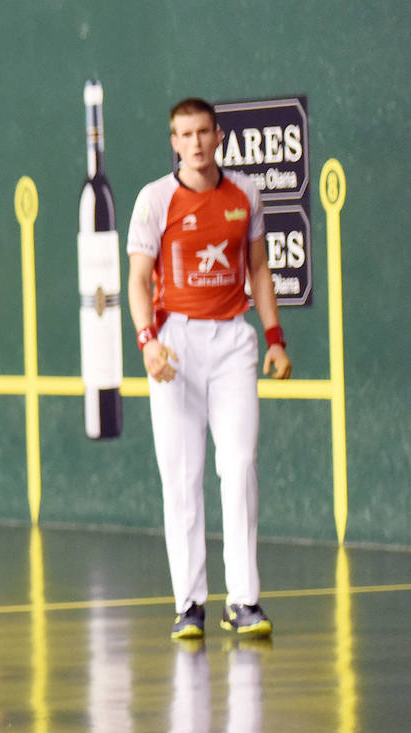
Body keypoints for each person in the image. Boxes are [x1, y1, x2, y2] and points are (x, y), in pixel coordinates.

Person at [126, 97, 292, 642]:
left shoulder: (246, 193)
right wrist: (147, 341)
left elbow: (261, 268)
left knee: (239, 465)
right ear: (173, 142)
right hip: (174, 347)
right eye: (184, 134)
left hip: (232, 346)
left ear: (218, 136)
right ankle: (189, 604)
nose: (195, 143)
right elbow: (139, 281)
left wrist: (274, 338)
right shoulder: (154, 200)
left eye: (203, 132)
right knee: (183, 477)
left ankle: (243, 601)